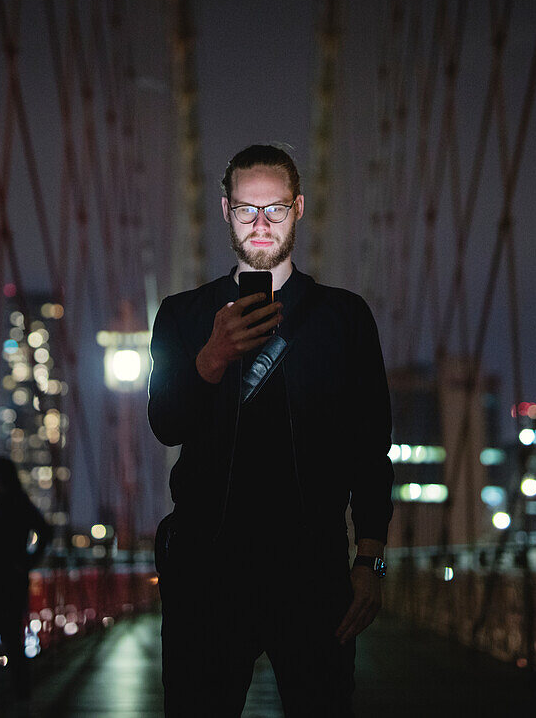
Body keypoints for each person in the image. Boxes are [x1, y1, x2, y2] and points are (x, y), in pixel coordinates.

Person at [148, 144, 395, 716]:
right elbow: (165, 425)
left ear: (299, 208)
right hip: (205, 572)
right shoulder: (184, 314)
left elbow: (370, 447)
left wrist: (370, 559)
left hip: (312, 572)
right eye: (245, 209)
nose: (261, 224)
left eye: (276, 209)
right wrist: (210, 359)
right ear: (226, 211)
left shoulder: (344, 317)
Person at [0, 456, 53, 710]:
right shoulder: (4, 501)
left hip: (4, 579)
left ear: (0, 476)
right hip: (1, 579)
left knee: (3, 639)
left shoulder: (13, 502)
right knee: (1, 639)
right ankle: (11, 697)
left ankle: (3, 696)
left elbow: (45, 531)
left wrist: (27, 562)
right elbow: (44, 531)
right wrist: (27, 562)